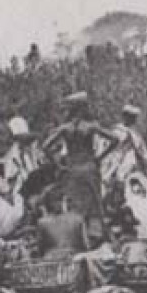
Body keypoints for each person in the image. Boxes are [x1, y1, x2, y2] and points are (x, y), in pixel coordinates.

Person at [41, 92, 116, 242]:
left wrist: (59, 164)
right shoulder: (91, 126)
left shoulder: (65, 128)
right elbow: (115, 139)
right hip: (89, 167)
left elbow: (45, 146)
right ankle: (96, 236)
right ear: (83, 108)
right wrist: (100, 157)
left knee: (75, 205)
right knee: (94, 204)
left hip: (72, 168)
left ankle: (77, 237)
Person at [104, 103, 147, 191]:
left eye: (134, 117)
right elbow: (110, 148)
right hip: (119, 161)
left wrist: (145, 162)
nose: (133, 119)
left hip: (136, 163)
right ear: (125, 116)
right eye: (131, 117)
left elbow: (142, 150)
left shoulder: (135, 133)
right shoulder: (117, 130)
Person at [2, 116, 47, 195]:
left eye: (28, 139)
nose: (27, 143)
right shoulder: (13, 156)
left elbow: (42, 165)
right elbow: (11, 179)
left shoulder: (34, 151)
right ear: (16, 139)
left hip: (39, 187)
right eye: (23, 139)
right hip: (22, 191)